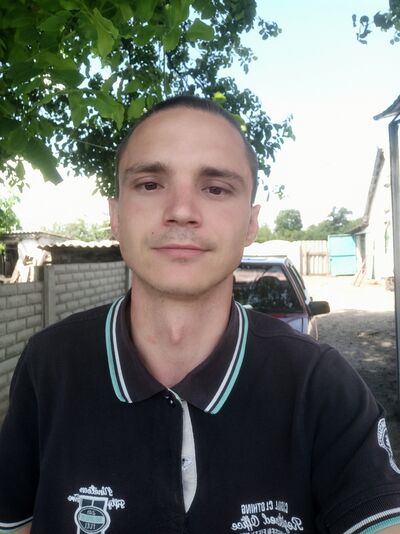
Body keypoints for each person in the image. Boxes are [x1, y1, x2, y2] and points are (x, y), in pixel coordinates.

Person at [1, 95, 400, 534]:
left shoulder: (320, 383)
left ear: (251, 223)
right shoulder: (49, 365)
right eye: (150, 184)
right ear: (116, 216)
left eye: (216, 188)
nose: (181, 212)